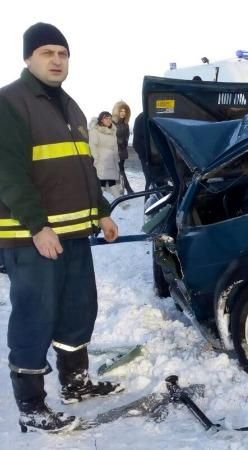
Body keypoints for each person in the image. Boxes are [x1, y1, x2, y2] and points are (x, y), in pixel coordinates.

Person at [0, 23, 123, 433]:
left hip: (73, 232)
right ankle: (31, 404)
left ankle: (75, 382)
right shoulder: (10, 102)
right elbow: (9, 173)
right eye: (47, 52)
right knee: (35, 315)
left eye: (63, 53)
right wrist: (37, 226)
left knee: (77, 309)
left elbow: (84, 169)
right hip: (32, 235)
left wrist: (102, 210)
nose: (56, 60)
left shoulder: (70, 107)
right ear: (28, 58)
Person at [90, 111, 123, 199]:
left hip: (111, 160)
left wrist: (116, 159)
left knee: (110, 182)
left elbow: (115, 147)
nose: (109, 120)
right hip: (101, 161)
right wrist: (95, 159)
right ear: (101, 120)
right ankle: (98, 202)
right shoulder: (95, 131)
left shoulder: (112, 131)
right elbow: (93, 146)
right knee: (102, 182)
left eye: (110, 118)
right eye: (106, 118)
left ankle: (120, 202)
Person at [112, 101, 133, 194]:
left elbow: (126, 137)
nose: (123, 113)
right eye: (121, 111)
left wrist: (122, 143)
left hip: (121, 151)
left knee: (119, 170)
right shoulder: (112, 123)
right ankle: (126, 189)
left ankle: (125, 189)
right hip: (116, 151)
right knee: (119, 170)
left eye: (125, 111)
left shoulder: (125, 124)